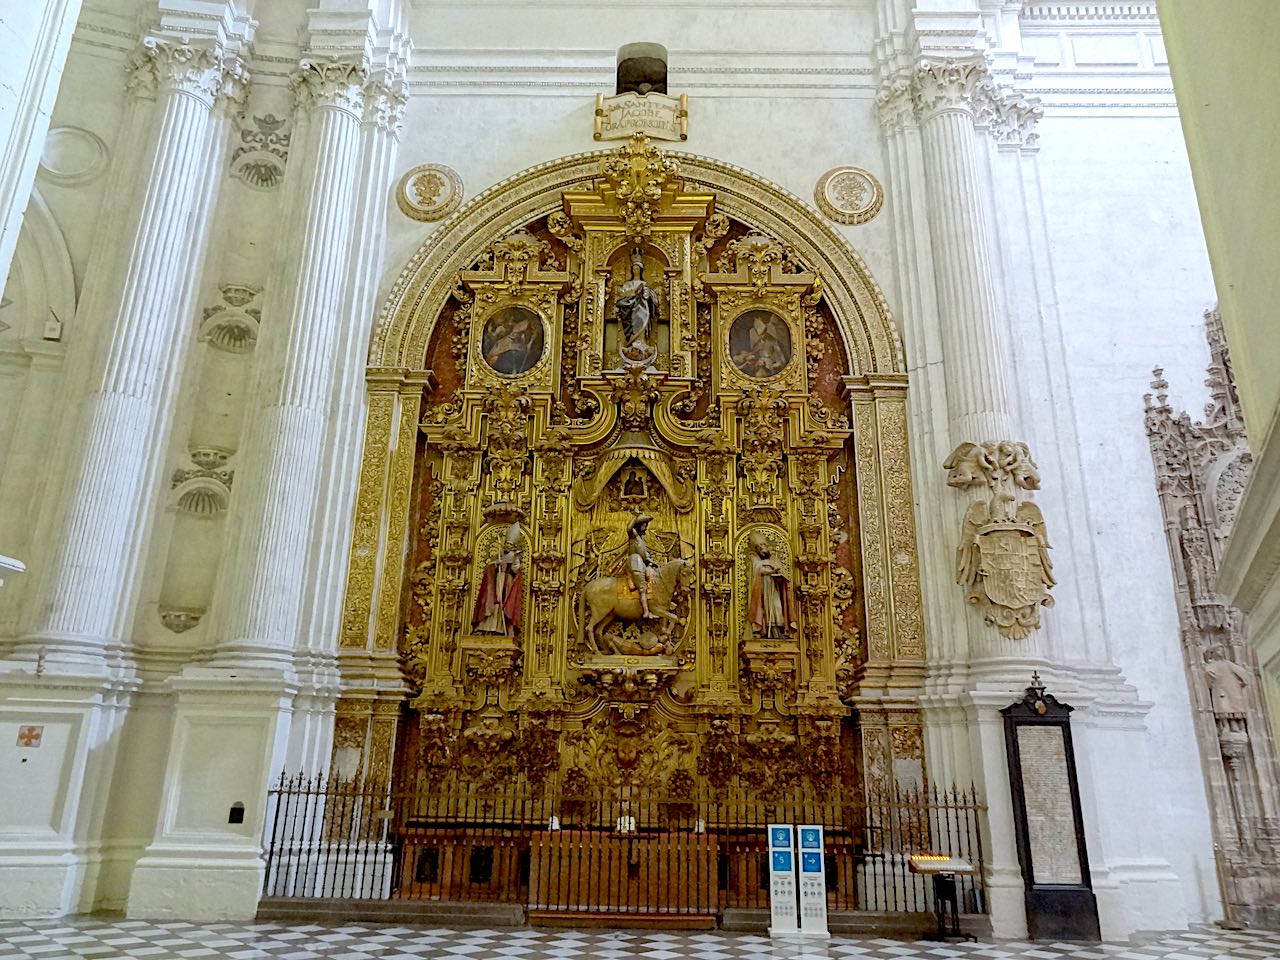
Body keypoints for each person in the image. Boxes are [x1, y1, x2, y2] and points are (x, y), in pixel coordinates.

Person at [473, 523, 523, 635]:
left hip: (507, 581)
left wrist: (513, 565)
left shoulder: (515, 556)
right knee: (493, 602)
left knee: (503, 603)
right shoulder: (499, 555)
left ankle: (502, 629)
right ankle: (488, 627)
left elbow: (516, 570)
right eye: (506, 544)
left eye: (510, 544)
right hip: (496, 581)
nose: (507, 546)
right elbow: (489, 566)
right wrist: (496, 564)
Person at [747, 532, 796, 638]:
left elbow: (783, 575)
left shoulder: (774, 559)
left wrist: (779, 574)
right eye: (758, 547)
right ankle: (765, 631)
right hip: (763, 589)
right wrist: (771, 571)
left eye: (762, 546)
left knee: (777, 607)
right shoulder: (755, 560)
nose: (761, 548)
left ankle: (779, 630)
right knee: (765, 610)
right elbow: (759, 570)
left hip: (774, 588)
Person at [615, 250, 660, 359]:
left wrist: (647, 294)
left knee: (642, 322)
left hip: (642, 308)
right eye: (634, 268)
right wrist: (631, 295)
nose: (636, 270)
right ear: (632, 270)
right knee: (634, 323)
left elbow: (650, 297)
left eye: (638, 269)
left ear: (641, 271)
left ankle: (642, 341)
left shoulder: (644, 284)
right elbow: (622, 296)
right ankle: (633, 341)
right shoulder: (628, 284)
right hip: (630, 308)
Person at [626, 513, 660, 619]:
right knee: (642, 587)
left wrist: (656, 564)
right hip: (635, 562)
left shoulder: (641, 541)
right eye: (644, 525)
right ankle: (646, 612)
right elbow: (628, 528)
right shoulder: (634, 535)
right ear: (639, 526)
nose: (646, 528)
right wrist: (635, 517)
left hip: (641, 563)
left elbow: (646, 558)